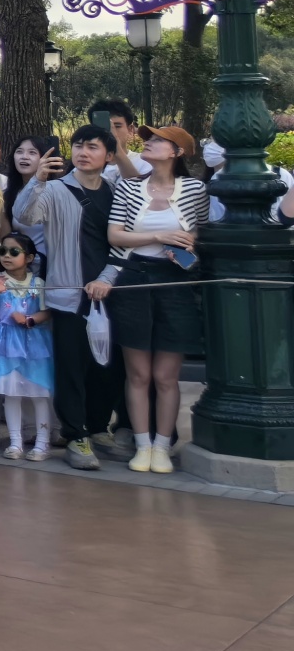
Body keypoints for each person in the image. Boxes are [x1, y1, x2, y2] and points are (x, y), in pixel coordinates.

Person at [99, 125, 210, 473]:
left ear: (177, 152)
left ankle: (163, 446)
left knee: (166, 376)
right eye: (149, 138)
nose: (150, 142)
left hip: (176, 280)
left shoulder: (194, 188)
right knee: (138, 374)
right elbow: (115, 234)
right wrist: (160, 234)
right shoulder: (129, 187)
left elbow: (201, 232)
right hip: (134, 277)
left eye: (159, 140)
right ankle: (142, 444)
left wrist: (187, 243)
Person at [15, 124, 126, 470]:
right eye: (78, 145)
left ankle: (97, 426)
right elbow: (24, 217)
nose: (83, 152)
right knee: (72, 368)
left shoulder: (115, 191)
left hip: (111, 294)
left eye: (93, 147)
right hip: (68, 296)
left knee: (108, 367)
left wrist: (107, 278)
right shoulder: (56, 189)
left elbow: (123, 243)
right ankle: (76, 434)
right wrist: (38, 181)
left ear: (108, 156)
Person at [0, 233, 54, 461]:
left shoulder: (38, 284)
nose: (7, 256)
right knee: (11, 395)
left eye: (14, 252)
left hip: (34, 347)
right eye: (2, 252)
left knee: (39, 394)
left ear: (29, 257)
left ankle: (42, 443)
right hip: (5, 347)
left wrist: (31, 320)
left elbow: (48, 311)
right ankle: (15, 442)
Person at [93, 98, 149, 180]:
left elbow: (138, 189)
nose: (111, 131)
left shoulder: (144, 162)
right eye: (105, 127)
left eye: (117, 126)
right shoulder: (85, 164)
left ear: (130, 129)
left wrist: (116, 148)